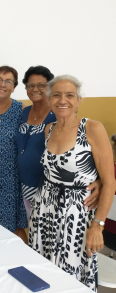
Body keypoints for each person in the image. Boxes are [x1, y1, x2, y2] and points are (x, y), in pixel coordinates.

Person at [28, 75, 115, 291]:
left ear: (79, 100)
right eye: (56, 95)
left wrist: (98, 225)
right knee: (44, 270)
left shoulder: (92, 128)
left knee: (72, 275)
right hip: (44, 211)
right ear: (49, 100)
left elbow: (110, 182)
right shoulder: (49, 130)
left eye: (69, 95)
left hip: (77, 216)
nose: (62, 100)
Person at [16, 66, 101, 220]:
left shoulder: (58, 115)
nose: (35, 89)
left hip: (50, 188)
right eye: (30, 85)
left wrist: (99, 180)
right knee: (34, 232)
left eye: (41, 85)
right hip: (23, 184)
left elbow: (82, 152)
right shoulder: (23, 111)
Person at [0, 66, 27, 242]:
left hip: (12, 176)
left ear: (14, 86)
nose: (3, 85)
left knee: (15, 226)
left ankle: (22, 261)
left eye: (8, 81)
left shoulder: (21, 110)